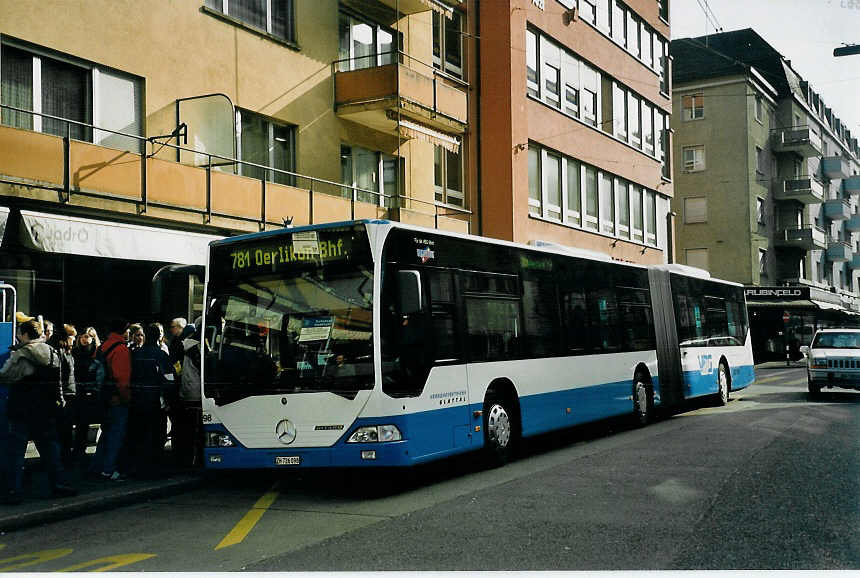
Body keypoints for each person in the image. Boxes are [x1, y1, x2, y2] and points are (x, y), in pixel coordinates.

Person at [0, 320, 76, 503]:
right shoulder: (52, 352)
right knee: (50, 449)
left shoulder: (22, 354)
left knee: (17, 452)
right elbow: (59, 380)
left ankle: (14, 490)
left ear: (25, 335)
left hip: (22, 408)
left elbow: (6, 375)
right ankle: (59, 484)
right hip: (46, 408)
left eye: (19, 332)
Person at [128, 323, 175, 478]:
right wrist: (169, 400)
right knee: (157, 436)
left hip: (137, 400)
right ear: (159, 336)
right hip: (156, 401)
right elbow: (169, 380)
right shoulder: (161, 355)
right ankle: (154, 468)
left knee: (140, 435)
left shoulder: (136, 354)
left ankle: (140, 467)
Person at [89, 319, 131, 482]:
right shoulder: (120, 349)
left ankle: (97, 467)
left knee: (106, 434)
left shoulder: (103, 347)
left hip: (103, 397)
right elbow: (122, 380)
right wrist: (126, 399)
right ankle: (109, 469)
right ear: (123, 330)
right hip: (116, 399)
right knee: (116, 435)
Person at [48, 325, 78, 466]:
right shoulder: (60, 352)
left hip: (69, 394)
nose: (74, 339)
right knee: (63, 430)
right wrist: (61, 398)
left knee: (66, 430)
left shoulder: (68, 351)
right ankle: (62, 459)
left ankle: (64, 457)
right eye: (72, 336)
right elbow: (58, 376)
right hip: (65, 395)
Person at [173, 318, 202, 467]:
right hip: (197, 392)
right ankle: (194, 460)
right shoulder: (197, 346)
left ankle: (186, 459)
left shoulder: (183, 345)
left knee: (187, 429)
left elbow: (176, 368)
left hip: (187, 391)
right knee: (195, 430)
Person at [71, 326, 101, 464]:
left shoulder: (97, 354)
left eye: (88, 336)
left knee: (85, 423)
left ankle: (80, 451)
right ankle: (77, 451)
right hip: (77, 391)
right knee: (79, 423)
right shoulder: (74, 352)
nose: (85, 339)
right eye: (83, 336)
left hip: (91, 392)